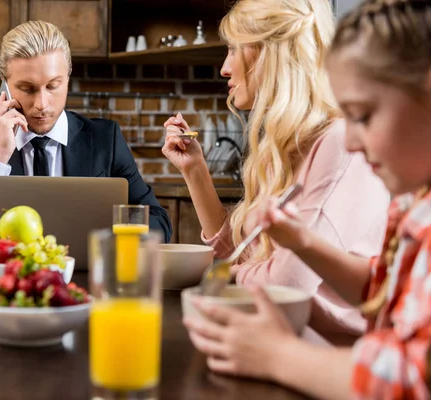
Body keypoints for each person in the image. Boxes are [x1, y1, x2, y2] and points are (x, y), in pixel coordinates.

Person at [184, 0, 431, 398]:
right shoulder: (413, 205)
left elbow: (410, 377)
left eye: (364, 115)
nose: (352, 139)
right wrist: (302, 242)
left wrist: (280, 355)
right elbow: (381, 290)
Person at [162, 0, 389, 341]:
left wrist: (234, 274)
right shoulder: (283, 147)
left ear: (273, 54)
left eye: (236, 50)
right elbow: (242, 254)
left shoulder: (339, 144)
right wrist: (195, 170)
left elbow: (286, 285)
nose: (224, 68)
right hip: (288, 336)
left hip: (336, 357)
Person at [0, 21, 172, 242]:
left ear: (68, 78)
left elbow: (158, 220)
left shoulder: (105, 140)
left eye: (53, 86)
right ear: (5, 85)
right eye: (27, 89)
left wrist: (109, 233)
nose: (42, 104)